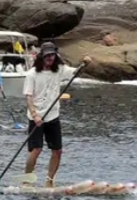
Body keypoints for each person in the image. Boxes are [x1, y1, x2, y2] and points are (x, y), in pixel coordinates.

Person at [23, 42, 91, 188]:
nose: (49, 58)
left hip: (53, 116)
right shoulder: (32, 74)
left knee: (58, 151)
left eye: (52, 55)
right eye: (47, 55)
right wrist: (35, 116)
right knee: (36, 150)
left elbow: (75, 72)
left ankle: (49, 181)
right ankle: (27, 181)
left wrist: (84, 64)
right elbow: (28, 97)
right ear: (42, 56)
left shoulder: (59, 70)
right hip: (36, 117)